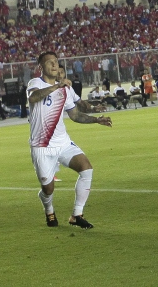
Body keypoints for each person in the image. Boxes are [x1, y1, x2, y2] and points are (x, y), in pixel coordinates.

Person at [28, 51, 112, 229]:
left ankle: (77, 214)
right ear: (41, 67)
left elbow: (74, 115)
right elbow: (34, 97)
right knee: (48, 189)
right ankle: (49, 209)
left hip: (62, 142)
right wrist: (56, 86)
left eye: (56, 62)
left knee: (86, 168)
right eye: (49, 62)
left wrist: (96, 119)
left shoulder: (64, 90)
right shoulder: (36, 83)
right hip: (41, 146)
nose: (54, 65)